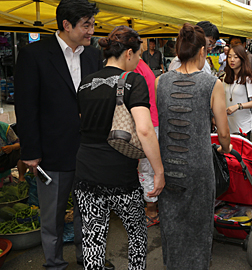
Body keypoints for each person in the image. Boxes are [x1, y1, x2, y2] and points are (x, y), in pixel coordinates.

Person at [14, 0, 114, 270]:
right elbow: (26, 107)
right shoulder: (34, 55)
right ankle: (55, 264)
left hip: (89, 152)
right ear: (66, 25)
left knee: (88, 211)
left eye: (93, 24)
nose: (92, 31)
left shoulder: (94, 56)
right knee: (53, 216)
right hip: (51, 153)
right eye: (86, 25)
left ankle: (88, 259)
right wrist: (30, 152)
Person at [75, 26, 164, 269]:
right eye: (138, 55)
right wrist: (158, 171)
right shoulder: (133, 81)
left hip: (85, 172)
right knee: (136, 233)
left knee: (93, 237)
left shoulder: (85, 83)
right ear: (128, 53)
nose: (138, 61)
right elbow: (144, 129)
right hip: (119, 174)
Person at [156, 23, 232, 270]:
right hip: (198, 168)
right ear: (202, 51)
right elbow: (223, 132)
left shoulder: (160, 82)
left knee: (171, 224)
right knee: (198, 227)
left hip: (168, 167)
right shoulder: (212, 84)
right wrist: (226, 148)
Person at [135, 43, 161, 227]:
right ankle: (150, 208)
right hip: (150, 123)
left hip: (147, 124)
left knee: (146, 169)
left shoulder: (137, 69)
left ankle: (152, 211)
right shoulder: (141, 65)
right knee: (146, 169)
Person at [223, 44, 252, 139]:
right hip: (228, 124)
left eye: (236, 57)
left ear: (242, 59)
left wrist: (238, 106)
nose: (232, 60)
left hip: (242, 126)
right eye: (229, 56)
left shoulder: (247, 79)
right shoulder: (225, 77)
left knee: (241, 153)